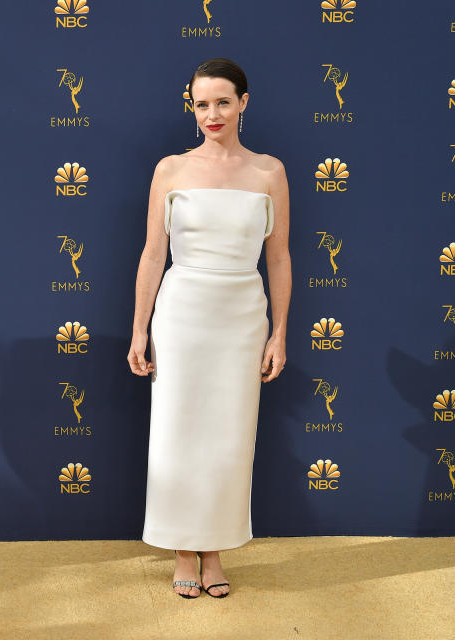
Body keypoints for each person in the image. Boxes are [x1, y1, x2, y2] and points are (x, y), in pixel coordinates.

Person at [127, 58, 291, 599]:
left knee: (229, 434)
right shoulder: (170, 169)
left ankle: (215, 551)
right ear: (191, 106)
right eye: (201, 104)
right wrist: (138, 331)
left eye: (223, 101)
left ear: (245, 102)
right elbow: (153, 255)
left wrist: (279, 333)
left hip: (243, 313)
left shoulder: (270, 172)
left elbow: (280, 259)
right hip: (182, 313)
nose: (212, 114)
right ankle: (181, 550)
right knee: (177, 431)